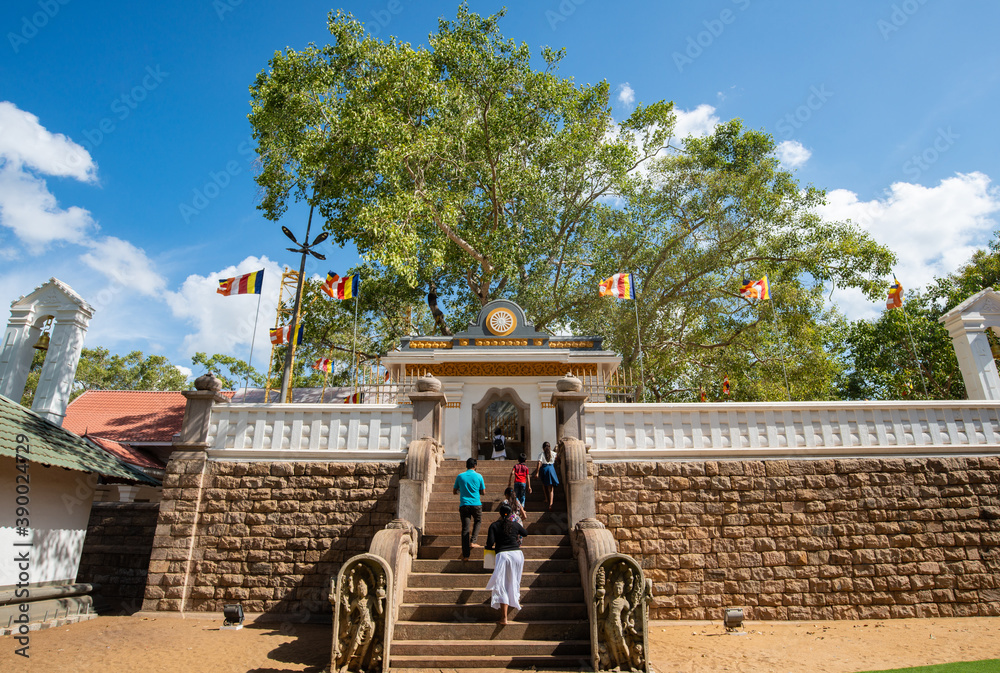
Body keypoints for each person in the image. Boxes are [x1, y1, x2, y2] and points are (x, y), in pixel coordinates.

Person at [485, 503, 528, 625]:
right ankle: (514, 601)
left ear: (500, 514)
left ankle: (504, 618)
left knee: (502, 584)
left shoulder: (494, 525)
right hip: (517, 555)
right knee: (514, 581)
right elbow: (525, 533)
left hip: (503, 555)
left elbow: (490, 543)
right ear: (510, 514)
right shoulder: (515, 524)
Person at [453, 457, 486, 562]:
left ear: (466, 465)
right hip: (476, 504)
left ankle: (466, 555)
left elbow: (454, 490)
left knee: (465, 529)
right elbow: (483, 492)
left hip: (464, 505)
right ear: (475, 466)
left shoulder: (460, 476)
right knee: (478, 521)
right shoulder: (479, 476)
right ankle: (473, 540)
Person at [535, 441, 560, 511]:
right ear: (550, 447)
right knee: (551, 488)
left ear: (543, 448)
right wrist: (558, 463)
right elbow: (558, 459)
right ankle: (551, 503)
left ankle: (546, 498)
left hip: (544, 469)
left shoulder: (541, 454)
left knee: (544, 484)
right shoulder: (554, 453)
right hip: (551, 469)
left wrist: (537, 472)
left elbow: (539, 463)